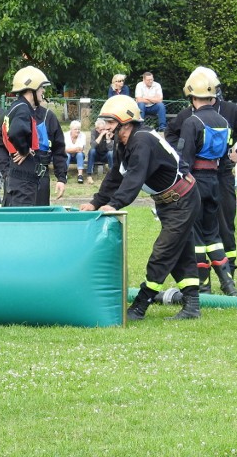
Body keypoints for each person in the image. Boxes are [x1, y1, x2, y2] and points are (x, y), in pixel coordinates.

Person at [79, 95, 201, 321]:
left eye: (110, 122)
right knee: (180, 253)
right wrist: (96, 202)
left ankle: (140, 306)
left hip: (182, 200)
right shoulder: (125, 142)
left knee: (163, 253)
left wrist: (114, 205)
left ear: (126, 123)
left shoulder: (142, 141)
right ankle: (192, 306)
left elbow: (134, 178)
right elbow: (115, 176)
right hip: (169, 201)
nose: (105, 127)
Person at [166, 66, 237, 284]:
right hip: (196, 178)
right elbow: (170, 134)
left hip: (221, 176)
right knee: (198, 227)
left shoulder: (231, 111)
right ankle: (203, 278)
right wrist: (181, 157)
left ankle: (228, 273)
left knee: (225, 225)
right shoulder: (187, 115)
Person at [175, 71, 237, 296]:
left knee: (196, 235)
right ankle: (229, 284)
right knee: (213, 233)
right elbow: (225, 154)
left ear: (192, 97)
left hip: (196, 182)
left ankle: (203, 286)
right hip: (215, 180)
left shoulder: (192, 122)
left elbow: (184, 160)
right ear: (212, 97)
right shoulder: (224, 122)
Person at [0, 65, 66, 206]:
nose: (43, 91)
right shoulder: (21, 110)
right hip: (21, 177)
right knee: (24, 219)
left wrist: (61, 177)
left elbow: (59, 148)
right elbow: (1, 144)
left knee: (33, 220)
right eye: (41, 88)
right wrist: (23, 151)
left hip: (38, 176)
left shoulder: (46, 116)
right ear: (31, 89)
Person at [85, 118, 114, 184]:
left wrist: (108, 139)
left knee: (111, 153)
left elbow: (111, 148)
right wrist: (101, 135)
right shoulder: (94, 132)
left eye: (104, 129)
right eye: (101, 130)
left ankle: (112, 175)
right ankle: (89, 175)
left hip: (105, 155)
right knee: (92, 151)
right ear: (97, 129)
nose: (104, 131)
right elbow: (93, 145)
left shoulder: (108, 132)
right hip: (96, 155)